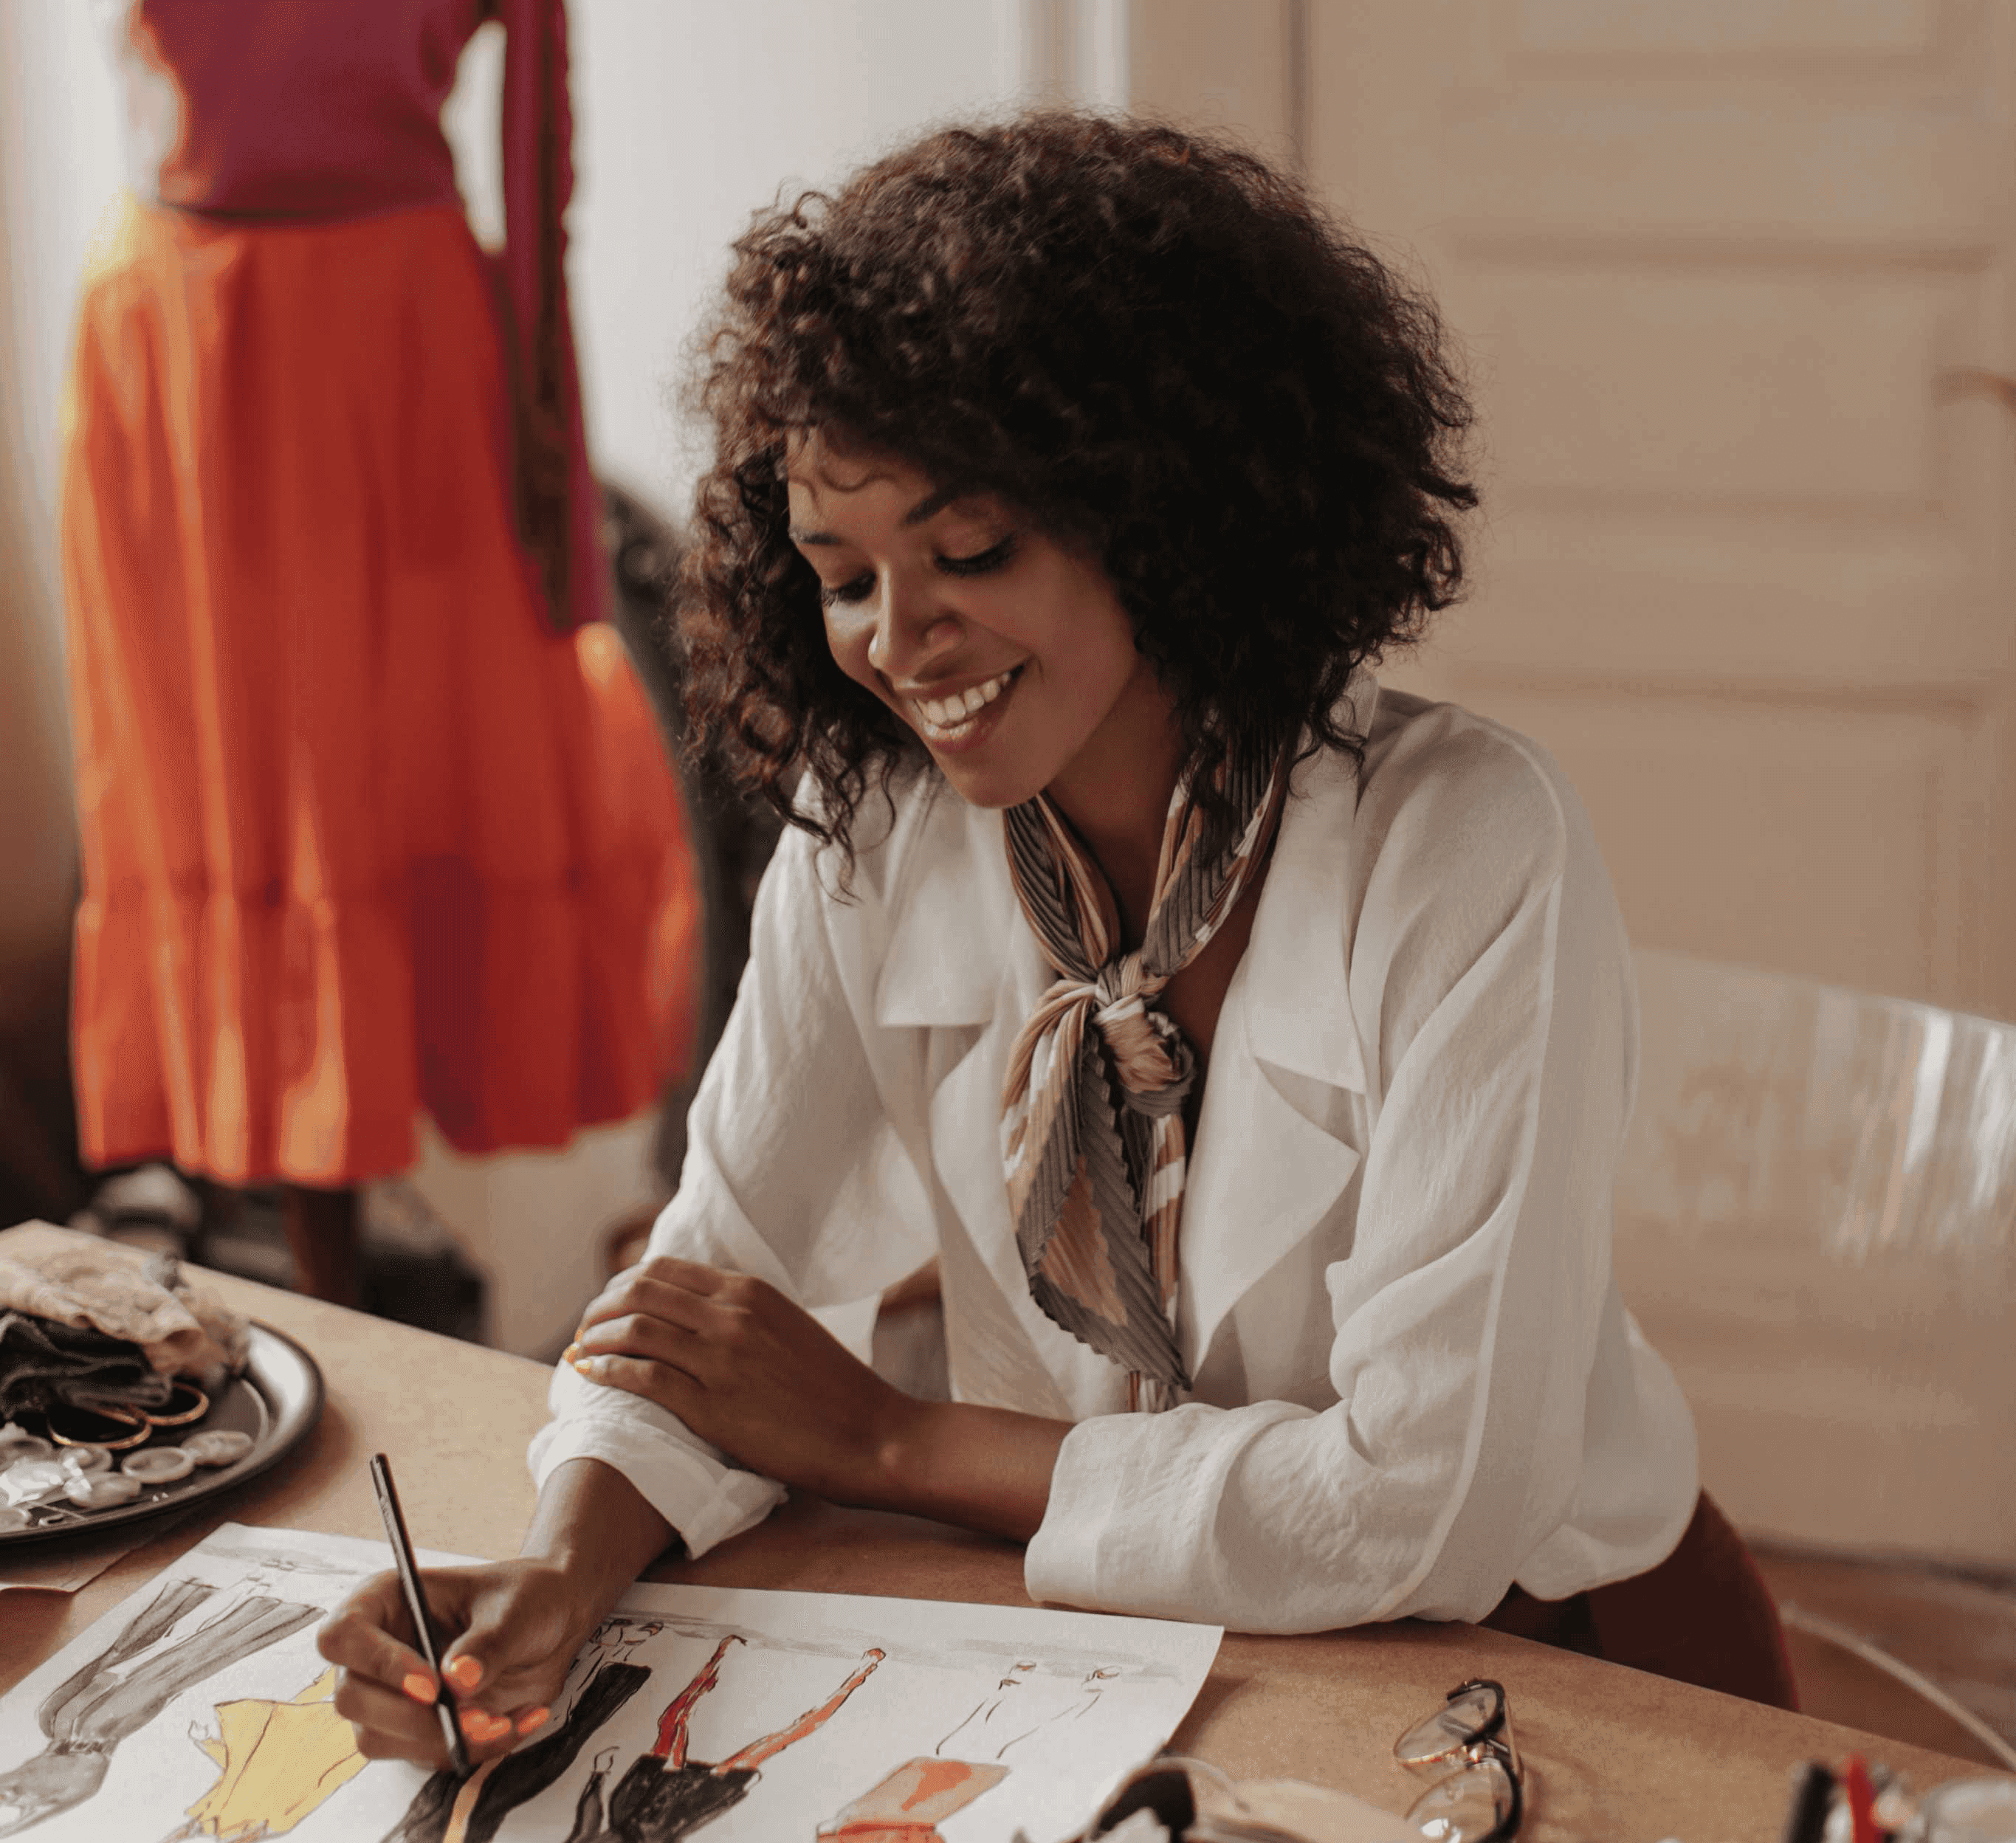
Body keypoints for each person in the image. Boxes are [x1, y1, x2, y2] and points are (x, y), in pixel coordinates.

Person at [320, 110, 1796, 1768]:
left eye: (970, 552)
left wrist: (887, 1442)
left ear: (1160, 511)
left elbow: (1422, 1509)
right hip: (1133, 1655)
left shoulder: (1463, 848)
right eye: (841, 576)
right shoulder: (878, 831)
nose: (899, 642)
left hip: (1528, 1664)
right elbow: (713, 1294)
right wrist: (557, 1575)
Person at [61, 0, 697, 1303]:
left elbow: (538, 153)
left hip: (397, 357)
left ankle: (362, 1288)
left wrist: (550, 460)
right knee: (234, 803)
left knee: (388, 796)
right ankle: (309, 1256)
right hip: (179, 358)